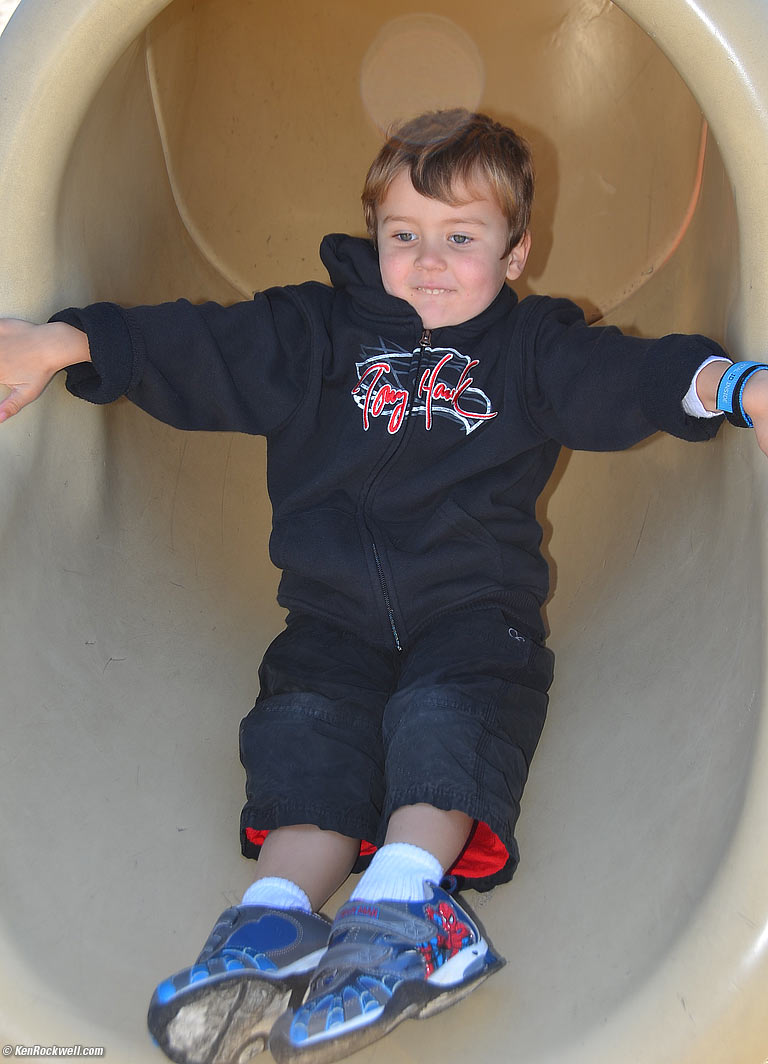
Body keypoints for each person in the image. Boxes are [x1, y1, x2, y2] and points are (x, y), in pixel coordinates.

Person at [1, 109, 767, 1064]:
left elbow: (634, 377)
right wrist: (61, 344)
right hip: (328, 616)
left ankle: (406, 905)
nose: (430, 261)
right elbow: (199, 349)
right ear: (374, 237)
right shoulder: (313, 333)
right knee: (302, 733)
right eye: (403, 236)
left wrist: (736, 385)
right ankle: (272, 921)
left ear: (517, 251)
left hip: (474, 617)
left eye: (463, 238)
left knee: (441, 719)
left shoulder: (531, 352)